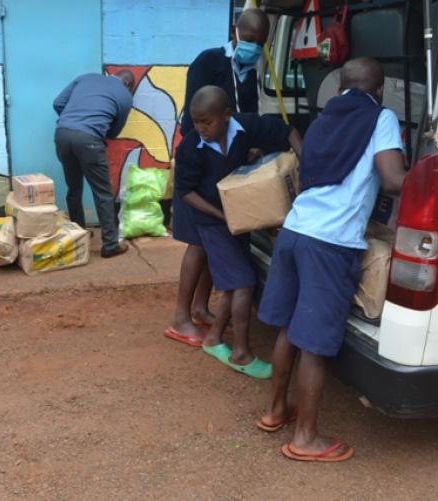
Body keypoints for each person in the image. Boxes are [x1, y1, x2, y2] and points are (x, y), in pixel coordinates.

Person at [256, 58, 406, 462]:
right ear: (379, 90)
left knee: (289, 327)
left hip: (295, 230)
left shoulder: (323, 119)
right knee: (316, 343)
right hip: (331, 243)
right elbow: (392, 178)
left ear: (341, 85)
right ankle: (305, 438)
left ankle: (275, 412)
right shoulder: (381, 116)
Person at [174, 86, 302, 378]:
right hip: (211, 221)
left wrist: (306, 165)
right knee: (243, 283)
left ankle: (214, 338)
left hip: (238, 219)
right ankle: (241, 352)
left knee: (237, 282)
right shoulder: (191, 147)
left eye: (208, 122)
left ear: (227, 116)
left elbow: (287, 130)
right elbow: (186, 192)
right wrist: (223, 216)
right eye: (196, 122)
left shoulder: (245, 126)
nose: (202, 129)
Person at [166, 7, 271, 346]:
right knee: (198, 241)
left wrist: (249, 148)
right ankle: (181, 317)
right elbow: (193, 116)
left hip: (229, 167)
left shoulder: (249, 72)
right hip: (202, 165)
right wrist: (200, 154)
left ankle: (200, 307)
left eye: (260, 42)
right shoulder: (208, 61)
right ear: (235, 31)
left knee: (216, 243)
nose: (253, 47)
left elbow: (248, 119)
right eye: (249, 39)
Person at [53, 70, 135, 258]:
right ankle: (111, 244)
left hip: (62, 134)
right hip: (89, 140)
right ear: (129, 85)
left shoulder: (86, 77)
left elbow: (57, 103)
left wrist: (72, 121)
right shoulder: (125, 96)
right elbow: (114, 132)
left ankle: (78, 235)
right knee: (103, 193)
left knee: (74, 188)